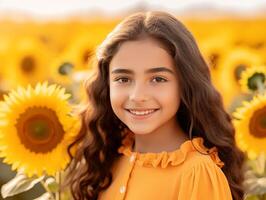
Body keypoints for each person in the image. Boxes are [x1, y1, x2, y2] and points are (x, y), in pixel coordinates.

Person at [63, 11, 245, 200]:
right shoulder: (107, 159)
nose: (138, 96)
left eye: (158, 79)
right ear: (107, 84)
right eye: (123, 79)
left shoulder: (197, 173)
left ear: (185, 83)